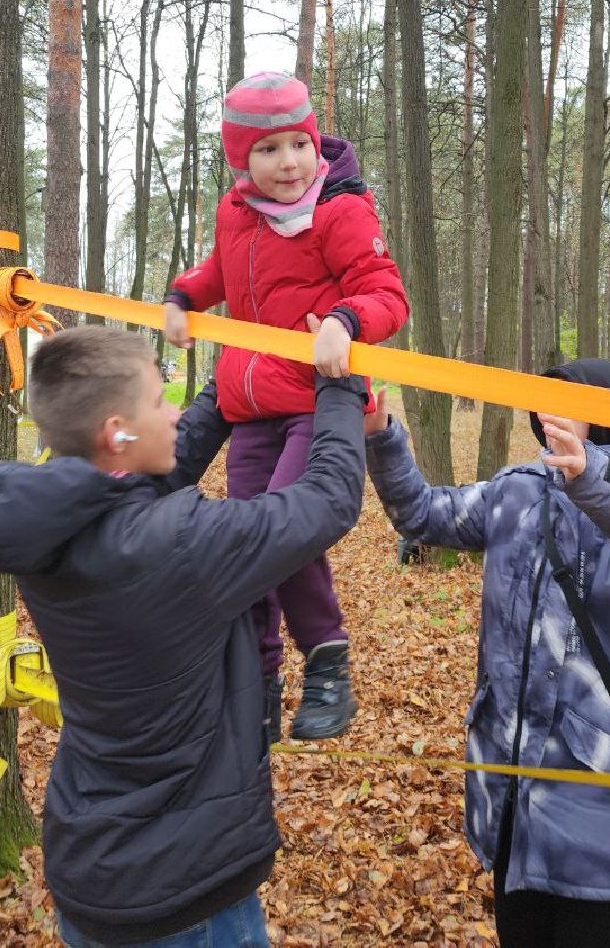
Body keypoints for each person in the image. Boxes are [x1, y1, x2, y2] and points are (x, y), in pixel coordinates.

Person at [0, 324, 368, 947]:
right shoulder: (182, 546)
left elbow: (142, 479)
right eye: (158, 401)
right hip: (183, 902)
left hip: (91, 871)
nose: (173, 412)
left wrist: (231, 379)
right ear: (116, 432)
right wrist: (340, 384)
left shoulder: (46, 531)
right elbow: (328, 499)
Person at [362, 360, 610, 948]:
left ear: (608, 415)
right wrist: (381, 437)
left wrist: (595, 481)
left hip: (596, 788)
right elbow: (420, 514)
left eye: (568, 399)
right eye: (545, 396)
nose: (549, 408)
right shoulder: (516, 490)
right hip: (509, 786)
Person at [163, 70, 408, 742]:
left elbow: (386, 292)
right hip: (250, 408)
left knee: (286, 528)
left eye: (298, 144)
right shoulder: (236, 212)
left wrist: (346, 321)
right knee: (245, 544)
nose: (289, 162)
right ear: (241, 160)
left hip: (313, 404)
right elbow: (220, 272)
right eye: (268, 150)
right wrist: (182, 297)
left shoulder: (339, 210)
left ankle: (326, 657)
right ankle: (258, 677)